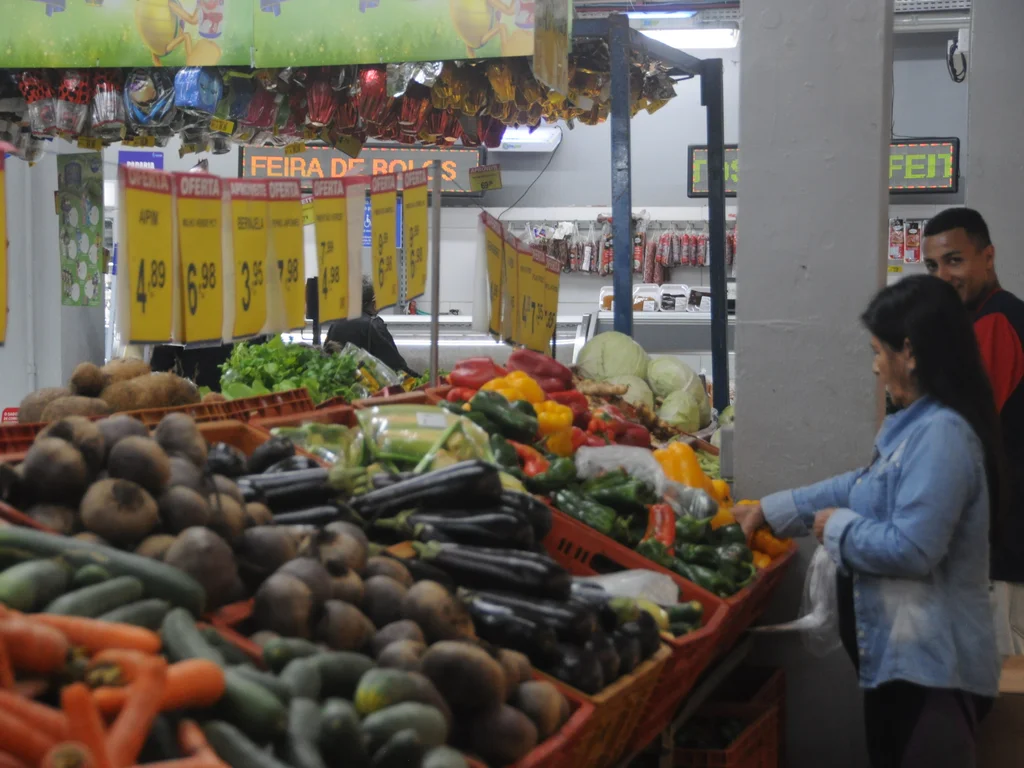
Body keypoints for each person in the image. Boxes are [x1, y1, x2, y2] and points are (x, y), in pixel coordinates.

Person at [735, 276, 1002, 768]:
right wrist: (770, 510)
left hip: (933, 673)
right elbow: (860, 486)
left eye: (879, 352)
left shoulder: (942, 434)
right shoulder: (919, 426)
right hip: (904, 666)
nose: (876, 366)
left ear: (911, 352)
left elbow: (914, 549)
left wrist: (835, 529)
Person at [922, 207, 1024, 655]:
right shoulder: (988, 319)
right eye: (932, 265)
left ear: (988, 256)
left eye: (955, 260)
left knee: (998, 681)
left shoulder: (994, 322)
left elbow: (966, 435)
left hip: (1001, 543)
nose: (943, 275)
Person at [325, 277, 414, 376]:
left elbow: (328, 356)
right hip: (369, 385)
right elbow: (397, 366)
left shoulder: (335, 324)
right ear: (374, 301)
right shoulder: (374, 325)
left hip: (342, 382)